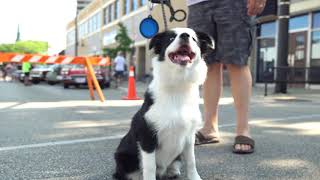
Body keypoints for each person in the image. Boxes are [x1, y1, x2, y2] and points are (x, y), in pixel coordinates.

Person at [187, 0, 267, 154]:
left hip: (234, 3)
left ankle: (243, 130)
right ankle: (209, 128)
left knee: (237, 61)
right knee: (206, 64)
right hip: (196, 5)